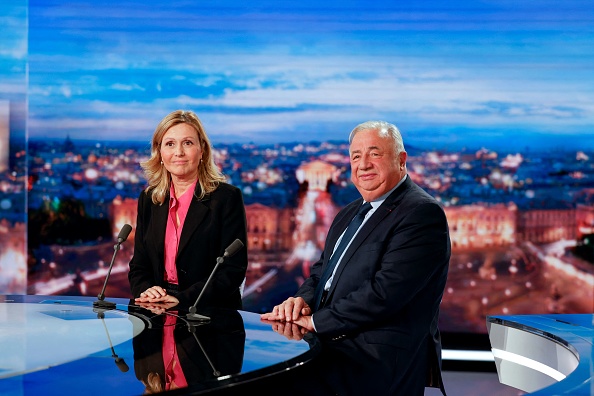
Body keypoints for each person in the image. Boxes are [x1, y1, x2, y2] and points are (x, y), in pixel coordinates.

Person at [261, 120, 451, 396]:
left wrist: (314, 322)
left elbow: (385, 294)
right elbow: (320, 273)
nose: (363, 164)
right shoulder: (349, 213)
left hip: (375, 361)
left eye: (375, 154)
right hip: (332, 347)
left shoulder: (421, 213)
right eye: (356, 156)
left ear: (401, 160)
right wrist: (301, 301)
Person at [128, 110, 248, 312]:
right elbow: (139, 266)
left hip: (209, 314)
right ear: (159, 153)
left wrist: (182, 299)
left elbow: (232, 271)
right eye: (170, 144)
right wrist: (147, 290)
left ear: (202, 150)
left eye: (188, 143)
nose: (179, 152)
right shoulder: (149, 199)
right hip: (157, 313)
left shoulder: (226, 198)